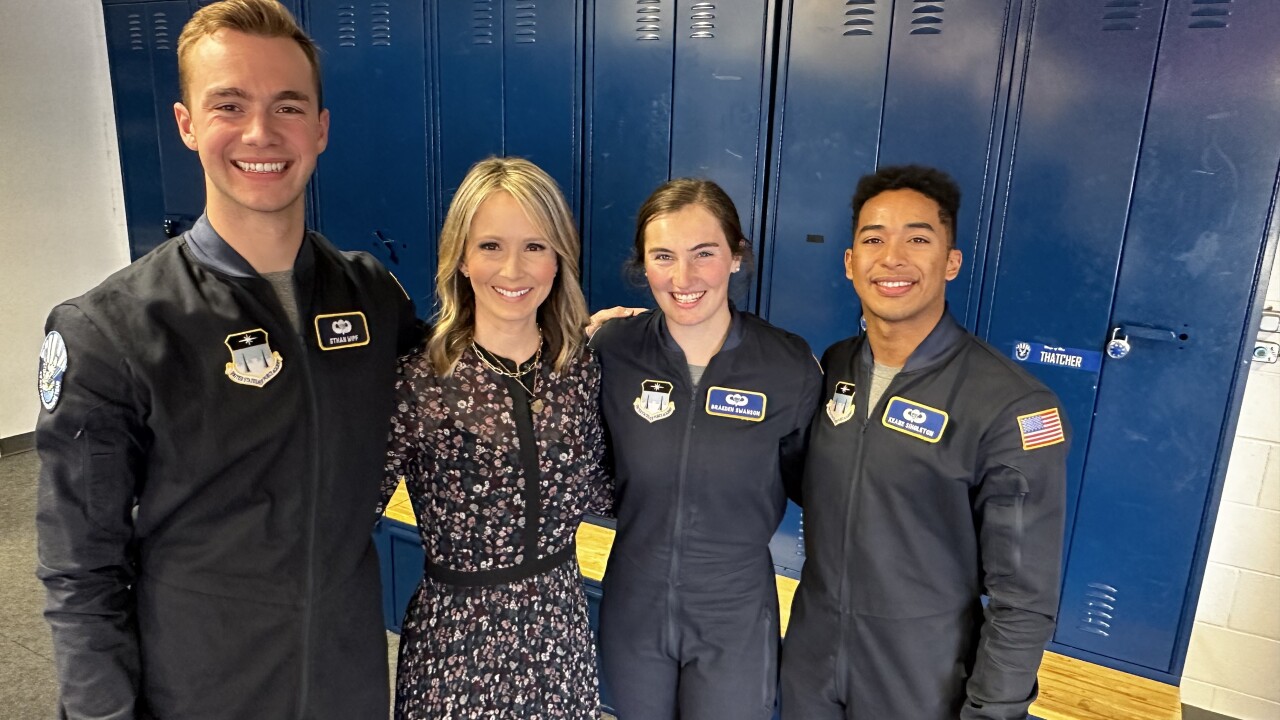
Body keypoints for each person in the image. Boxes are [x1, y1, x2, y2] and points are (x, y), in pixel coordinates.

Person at [34, 1, 421, 717]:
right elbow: (79, 572)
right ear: (185, 123)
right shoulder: (112, 329)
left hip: (347, 680)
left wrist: (589, 339)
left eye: (288, 106)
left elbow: (467, 375)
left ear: (321, 129)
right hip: (202, 688)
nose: (261, 133)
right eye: (229, 104)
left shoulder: (370, 296)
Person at [779, 165, 1069, 719]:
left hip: (920, 674)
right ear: (850, 263)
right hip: (812, 657)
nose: (892, 257)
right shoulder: (834, 366)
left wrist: (994, 710)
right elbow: (806, 482)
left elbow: (1024, 596)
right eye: (873, 239)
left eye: (917, 238)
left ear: (951, 262)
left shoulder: (1012, 406)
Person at [383, 157, 612, 719]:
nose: (513, 269)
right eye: (490, 246)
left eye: (535, 246)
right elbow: (341, 521)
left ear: (559, 257)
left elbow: (609, 487)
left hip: (560, 634)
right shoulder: (420, 379)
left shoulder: (582, 367)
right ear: (460, 257)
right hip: (456, 647)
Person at [589, 179, 824, 719]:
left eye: (704, 254)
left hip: (734, 610)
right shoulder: (611, 351)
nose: (683, 278)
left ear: (736, 257)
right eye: (663, 257)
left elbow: (815, 485)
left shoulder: (786, 366)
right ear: (642, 265)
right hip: (634, 601)